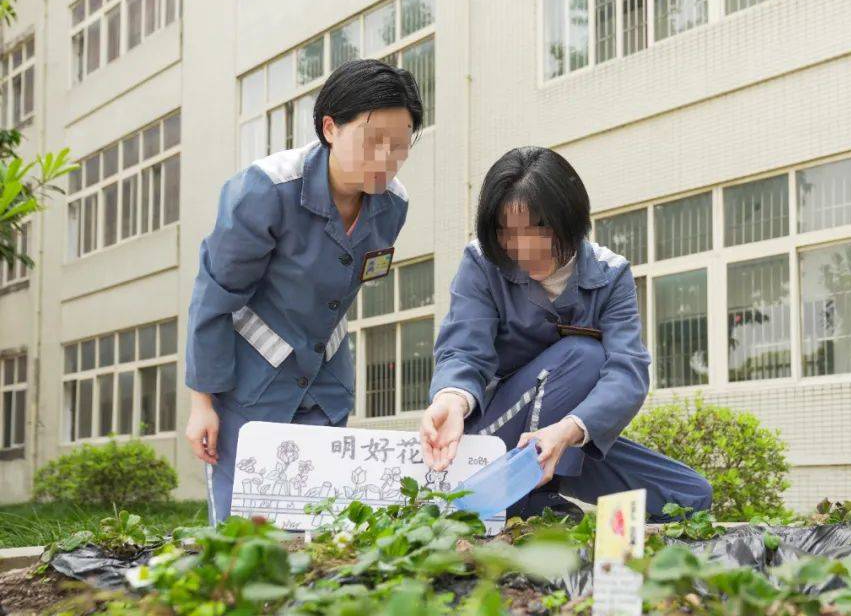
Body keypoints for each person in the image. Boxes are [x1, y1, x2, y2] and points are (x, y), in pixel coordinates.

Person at [185, 59, 423, 522]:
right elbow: (214, 298)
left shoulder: (394, 204)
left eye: (400, 146)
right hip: (250, 384)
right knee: (243, 534)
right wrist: (202, 403)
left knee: (320, 527)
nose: (386, 160)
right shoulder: (264, 190)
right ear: (330, 128)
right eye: (373, 142)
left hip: (326, 383)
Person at [419, 146, 713, 520]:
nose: (523, 248)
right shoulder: (482, 262)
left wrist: (570, 431)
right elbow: (464, 349)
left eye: (538, 229)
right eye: (508, 233)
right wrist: (452, 401)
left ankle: (543, 488)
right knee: (584, 355)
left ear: (570, 219)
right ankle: (525, 503)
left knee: (688, 495)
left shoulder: (610, 275)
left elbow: (628, 372)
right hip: (492, 439)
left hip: (560, 441)